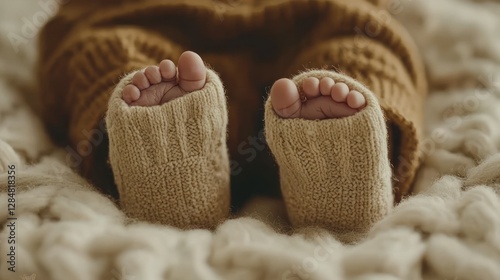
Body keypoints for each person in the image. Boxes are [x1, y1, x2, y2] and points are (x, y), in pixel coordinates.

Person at [37, 0, 426, 235]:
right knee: (107, 52)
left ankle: (339, 168)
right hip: (152, 20)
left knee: (357, 46)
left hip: (304, 26)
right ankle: (169, 165)